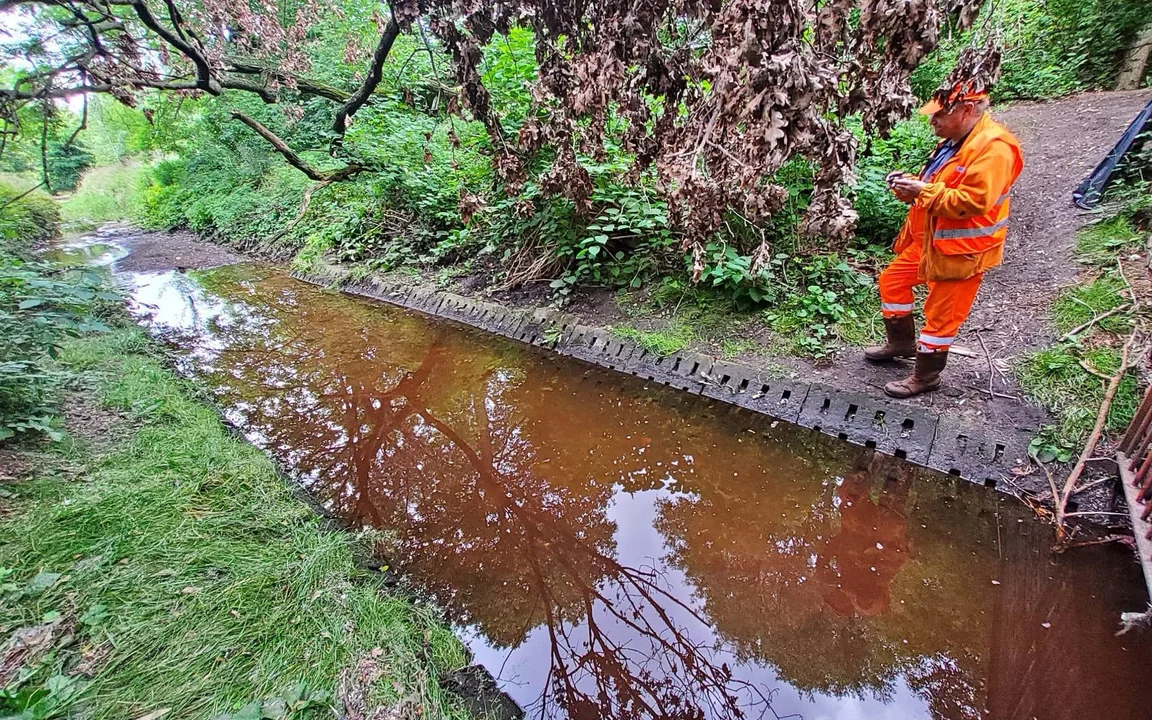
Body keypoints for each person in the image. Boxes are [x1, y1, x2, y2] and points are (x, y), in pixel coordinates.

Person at [864, 78, 1024, 398]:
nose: (932, 120)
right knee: (892, 282)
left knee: (940, 319)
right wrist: (911, 187)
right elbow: (936, 188)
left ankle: (926, 377)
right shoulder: (954, 141)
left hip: (962, 252)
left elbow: (971, 202)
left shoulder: (995, 149)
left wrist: (922, 191)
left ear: (966, 110)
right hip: (929, 244)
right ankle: (901, 343)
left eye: (939, 115)